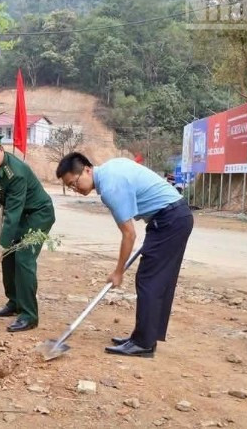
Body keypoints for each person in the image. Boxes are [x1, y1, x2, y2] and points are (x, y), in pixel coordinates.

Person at [56, 153, 193, 357]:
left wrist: (118, 272)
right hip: (170, 217)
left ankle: (143, 344)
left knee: (149, 281)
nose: (75, 189)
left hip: (169, 220)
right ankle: (144, 338)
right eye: (70, 187)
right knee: (156, 280)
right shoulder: (111, 168)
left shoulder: (110, 187)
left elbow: (129, 234)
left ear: (87, 169)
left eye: (74, 183)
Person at [0, 134, 55, 332]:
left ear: (0, 150)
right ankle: (15, 302)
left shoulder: (16, 173)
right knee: (8, 257)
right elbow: (7, 206)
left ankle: (29, 315)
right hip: (21, 215)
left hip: (38, 215)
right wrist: (3, 248)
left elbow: (12, 214)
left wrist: (0, 245)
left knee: (23, 259)